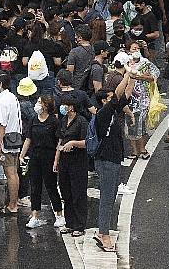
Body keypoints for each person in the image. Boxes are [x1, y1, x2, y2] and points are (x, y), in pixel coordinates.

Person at [93, 67, 132, 253]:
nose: (114, 100)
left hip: (114, 160)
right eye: (109, 98)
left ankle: (104, 230)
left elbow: (126, 94)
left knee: (111, 195)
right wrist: (124, 76)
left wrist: (131, 76)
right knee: (107, 199)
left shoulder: (113, 112)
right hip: (106, 161)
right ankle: (104, 234)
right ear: (103, 101)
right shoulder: (103, 114)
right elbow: (117, 94)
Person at [19, 95, 63, 228]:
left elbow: (58, 142)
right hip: (35, 155)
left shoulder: (53, 122)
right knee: (35, 187)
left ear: (45, 106)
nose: (37, 104)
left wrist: (56, 159)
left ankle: (59, 214)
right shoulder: (33, 119)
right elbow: (28, 138)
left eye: (39, 102)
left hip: (48, 156)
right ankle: (35, 215)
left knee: (51, 186)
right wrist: (22, 154)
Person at [54, 93, 88, 237]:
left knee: (78, 193)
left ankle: (79, 225)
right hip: (64, 161)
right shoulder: (63, 121)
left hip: (78, 161)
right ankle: (70, 223)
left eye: (65, 105)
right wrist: (56, 160)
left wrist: (73, 143)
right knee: (66, 192)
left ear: (72, 107)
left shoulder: (82, 122)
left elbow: (87, 142)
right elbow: (60, 141)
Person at [0, 71, 23, 215]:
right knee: (15, 173)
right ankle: (14, 201)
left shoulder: (2, 100)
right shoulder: (13, 97)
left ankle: (12, 205)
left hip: (7, 141)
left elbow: (1, 124)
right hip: (16, 138)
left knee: (10, 173)